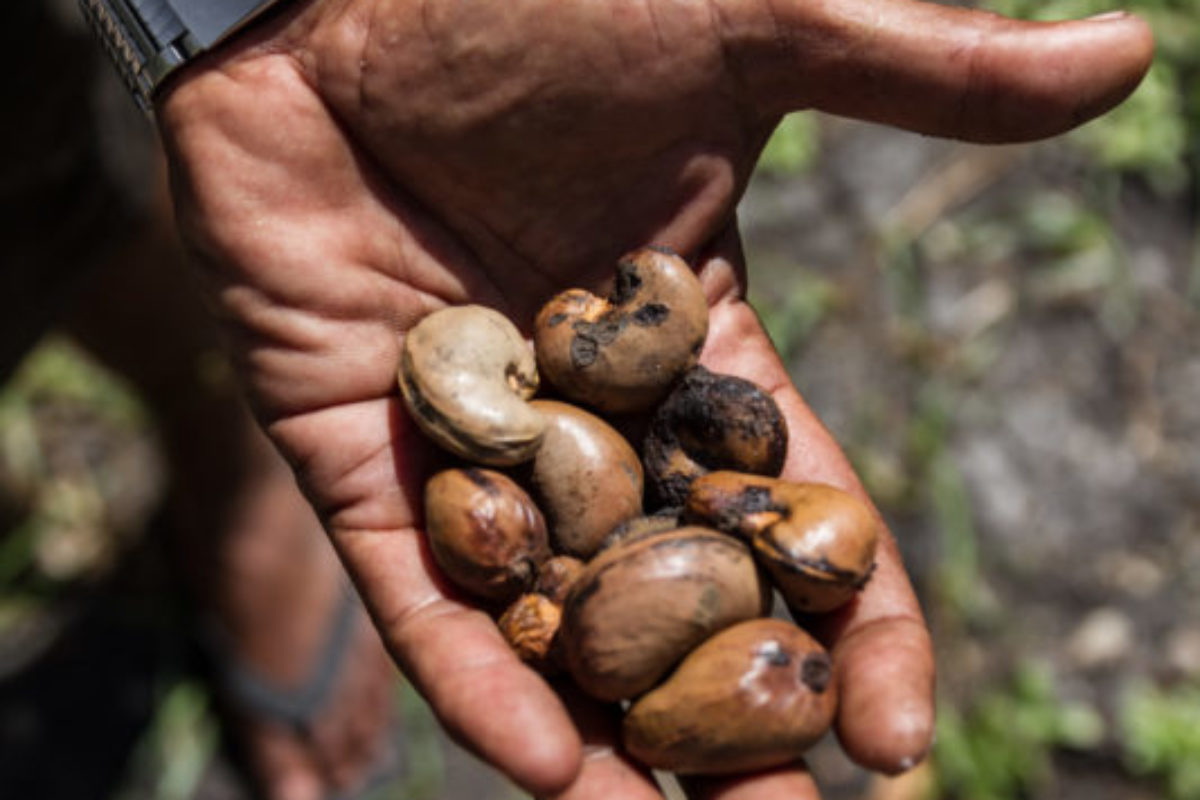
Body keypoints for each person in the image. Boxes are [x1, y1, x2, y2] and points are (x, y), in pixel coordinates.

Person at [91, 0, 1155, 797]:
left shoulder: (592, 430)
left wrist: (271, 19)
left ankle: (221, 464)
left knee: (88, 188)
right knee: (65, 215)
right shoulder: (551, 421)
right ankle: (220, 465)